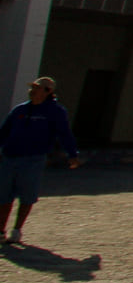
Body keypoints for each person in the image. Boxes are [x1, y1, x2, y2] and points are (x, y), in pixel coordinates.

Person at [1, 76, 81, 244]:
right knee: (3, 195)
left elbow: (65, 133)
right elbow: (4, 131)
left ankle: (17, 229)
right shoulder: (20, 110)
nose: (32, 91)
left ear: (48, 92)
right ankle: (0, 230)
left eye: (36, 88)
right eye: (32, 88)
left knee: (27, 195)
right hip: (10, 157)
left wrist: (72, 154)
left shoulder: (55, 112)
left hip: (33, 159)